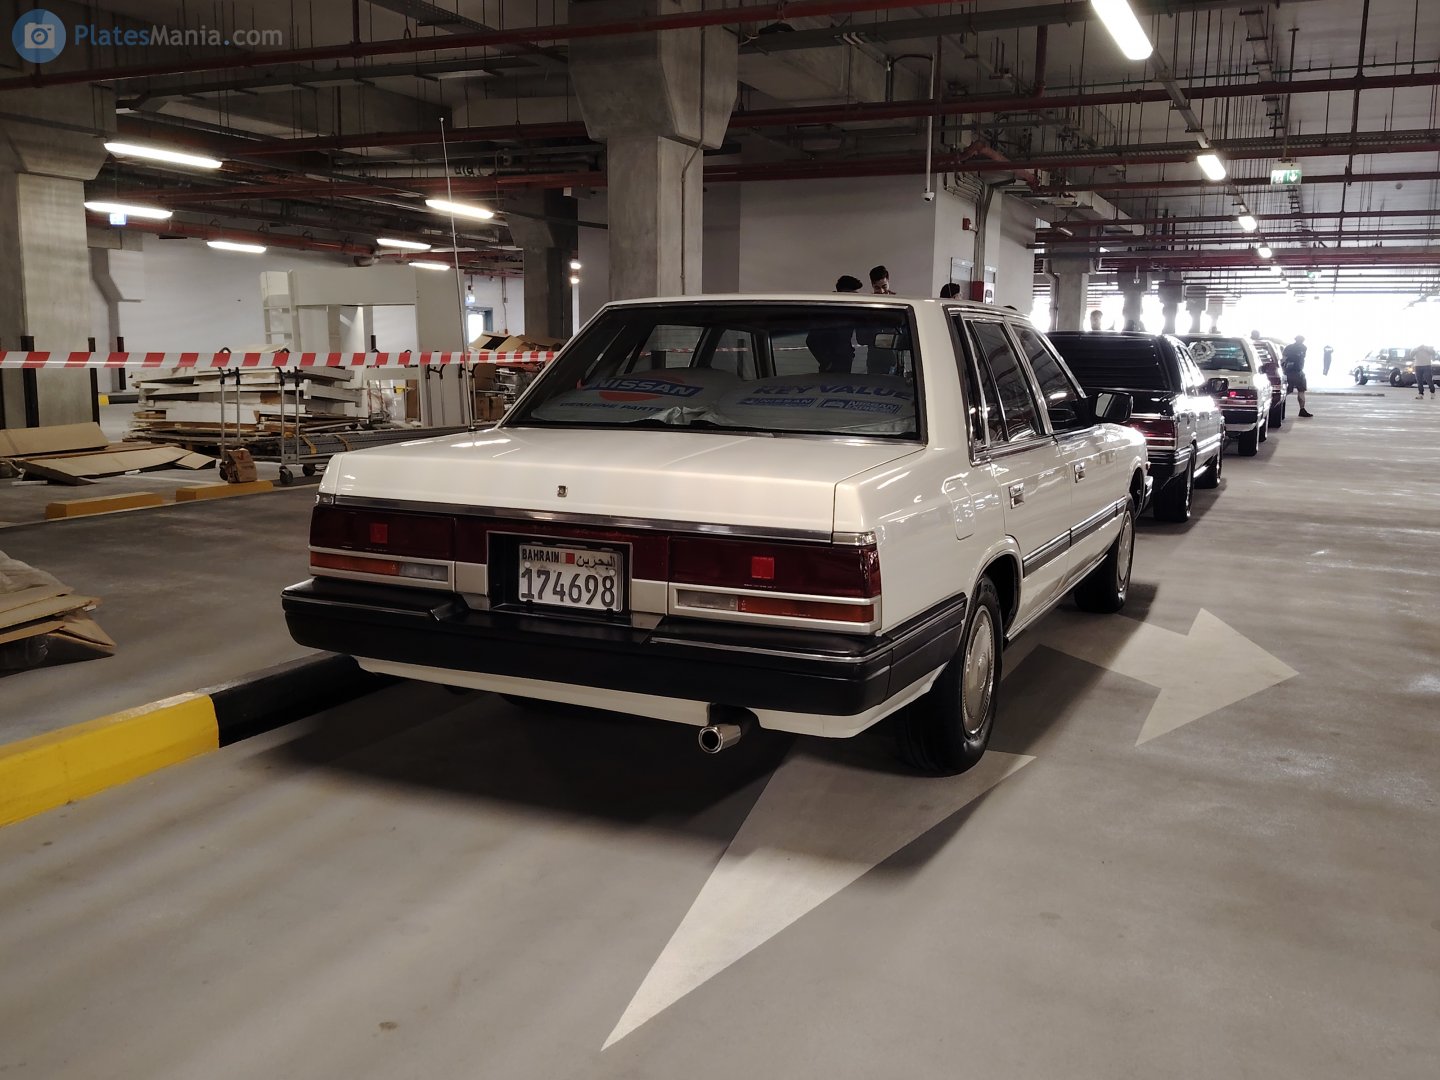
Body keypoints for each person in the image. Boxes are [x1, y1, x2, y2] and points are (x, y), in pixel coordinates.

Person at [807, 276, 865, 372]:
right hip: (832, 368)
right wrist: (827, 362)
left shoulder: (849, 312)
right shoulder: (827, 313)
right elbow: (811, 340)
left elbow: (861, 338)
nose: (856, 298)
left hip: (844, 363)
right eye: (853, 295)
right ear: (843, 293)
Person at [1282, 335, 1313, 417]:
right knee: (1301, 390)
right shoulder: (1303, 347)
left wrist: (1284, 369)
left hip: (1290, 371)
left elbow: (1283, 358)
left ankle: (1277, 405)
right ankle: (1302, 409)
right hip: (1297, 371)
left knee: (1288, 390)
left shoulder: (1289, 347)